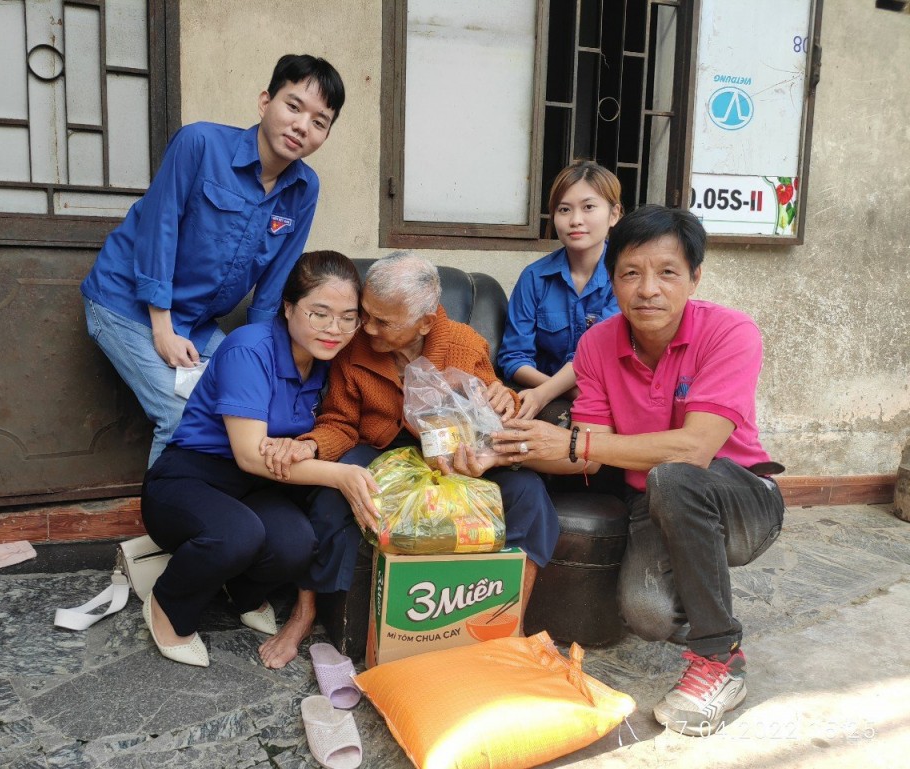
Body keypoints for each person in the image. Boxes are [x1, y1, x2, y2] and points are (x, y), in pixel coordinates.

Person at [475, 205, 785, 736]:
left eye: (667, 272)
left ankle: (720, 658)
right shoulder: (598, 344)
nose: (648, 289)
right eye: (630, 273)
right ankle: (700, 591)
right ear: (611, 280)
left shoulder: (731, 332)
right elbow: (587, 453)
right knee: (647, 615)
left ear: (695, 277)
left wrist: (575, 440)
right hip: (654, 503)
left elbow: (693, 450)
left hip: (741, 494)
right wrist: (500, 451)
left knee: (674, 475)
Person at [258, 252, 560, 668]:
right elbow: (340, 423)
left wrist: (500, 400)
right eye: (365, 314)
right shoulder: (356, 348)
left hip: (452, 449)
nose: (367, 327)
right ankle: (305, 611)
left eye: (383, 322)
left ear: (425, 322)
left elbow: (491, 403)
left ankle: (513, 624)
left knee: (528, 494)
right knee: (330, 497)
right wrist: (311, 445)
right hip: (379, 445)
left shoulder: (464, 344)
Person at [81, 54, 346, 466]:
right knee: (180, 414)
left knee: (244, 406)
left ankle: (214, 515)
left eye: (319, 121)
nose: (301, 126)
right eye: (293, 106)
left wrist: (264, 358)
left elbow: (278, 277)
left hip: (199, 325)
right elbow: (158, 229)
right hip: (127, 304)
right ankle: (164, 524)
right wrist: (162, 326)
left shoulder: (305, 188)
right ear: (265, 102)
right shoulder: (199, 144)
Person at [139, 251, 376, 670]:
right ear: (288, 308)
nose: (334, 329)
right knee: (237, 535)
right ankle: (167, 605)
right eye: (319, 313)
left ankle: (239, 591)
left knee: (296, 543)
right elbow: (249, 455)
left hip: (262, 486)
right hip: (192, 478)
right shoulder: (250, 349)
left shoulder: (330, 360)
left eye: (347, 317)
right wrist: (341, 475)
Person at [497, 160, 623, 423]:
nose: (575, 220)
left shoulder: (625, 276)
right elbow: (513, 357)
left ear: (614, 214)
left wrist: (544, 392)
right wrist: (561, 391)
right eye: (564, 209)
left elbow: (598, 355)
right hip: (548, 401)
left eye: (588, 207)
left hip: (611, 398)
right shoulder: (534, 277)